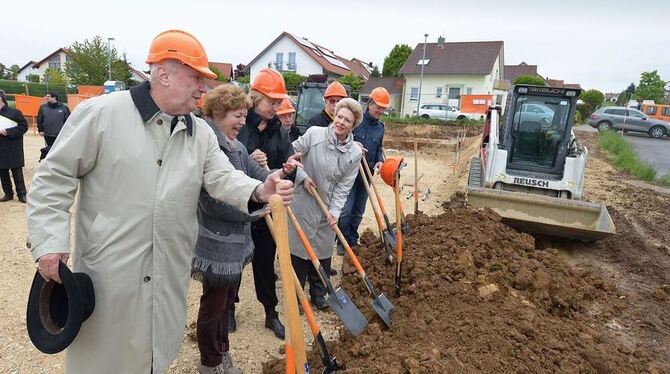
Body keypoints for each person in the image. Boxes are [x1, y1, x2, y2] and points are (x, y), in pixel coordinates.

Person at [26, 30, 294, 374]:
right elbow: (54, 176)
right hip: (112, 271)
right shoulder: (103, 115)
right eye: (196, 77)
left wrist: (261, 191)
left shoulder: (199, 134)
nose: (203, 87)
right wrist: (50, 241)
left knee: (154, 351)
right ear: (163, 74)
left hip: (168, 272)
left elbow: (222, 177)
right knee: (105, 356)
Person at [191, 84, 300, 374]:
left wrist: (278, 176)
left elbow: (260, 178)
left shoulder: (237, 147)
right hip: (215, 243)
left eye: (243, 115)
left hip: (235, 243)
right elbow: (211, 201)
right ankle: (210, 363)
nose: (242, 121)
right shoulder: (208, 145)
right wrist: (256, 210)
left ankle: (223, 353)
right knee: (213, 306)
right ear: (217, 113)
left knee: (226, 302)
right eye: (237, 116)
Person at [289, 98, 363, 309]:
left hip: (327, 206)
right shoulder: (314, 134)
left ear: (353, 124)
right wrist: (302, 177)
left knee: (322, 250)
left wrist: (335, 212)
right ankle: (296, 297)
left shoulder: (354, 153)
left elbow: (344, 187)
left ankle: (319, 294)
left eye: (347, 120)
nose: (341, 122)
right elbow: (291, 156)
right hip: (305, 201)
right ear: (334, 115)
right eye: (339, 116)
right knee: (301, 250)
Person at [237, 68, 293, 339]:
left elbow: (287, 166)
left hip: (267, 208)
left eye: (278, 102)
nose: (276, 106)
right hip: (238, 204)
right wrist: (249, 157)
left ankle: (271, 313)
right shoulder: (238, 124)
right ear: (256, 97)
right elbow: (223, 161)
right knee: (234, 261)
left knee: (264, 261)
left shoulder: (280, 133)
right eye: (272, 101)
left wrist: (289, 168)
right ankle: (228, 309)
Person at [337, 87, 389, 252]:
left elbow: (379, 148)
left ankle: (352, 240)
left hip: (367, 175)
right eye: (378, 107)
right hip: (350, 174)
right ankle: (342, 242)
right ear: (370, 103)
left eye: (383, 108)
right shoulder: (356, 122)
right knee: (346, 211)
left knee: (358, 211)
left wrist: (380, 162)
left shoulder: (380, 127)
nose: (380, 111)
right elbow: (342, 140)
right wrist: (353, 144)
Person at [0, 89, 28, 203]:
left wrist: (8, 131)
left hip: (12, 145)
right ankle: (8, 193)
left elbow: (24, 127)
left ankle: (21, 194)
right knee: (2, 172)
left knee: (17, 171)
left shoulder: (15, 112)